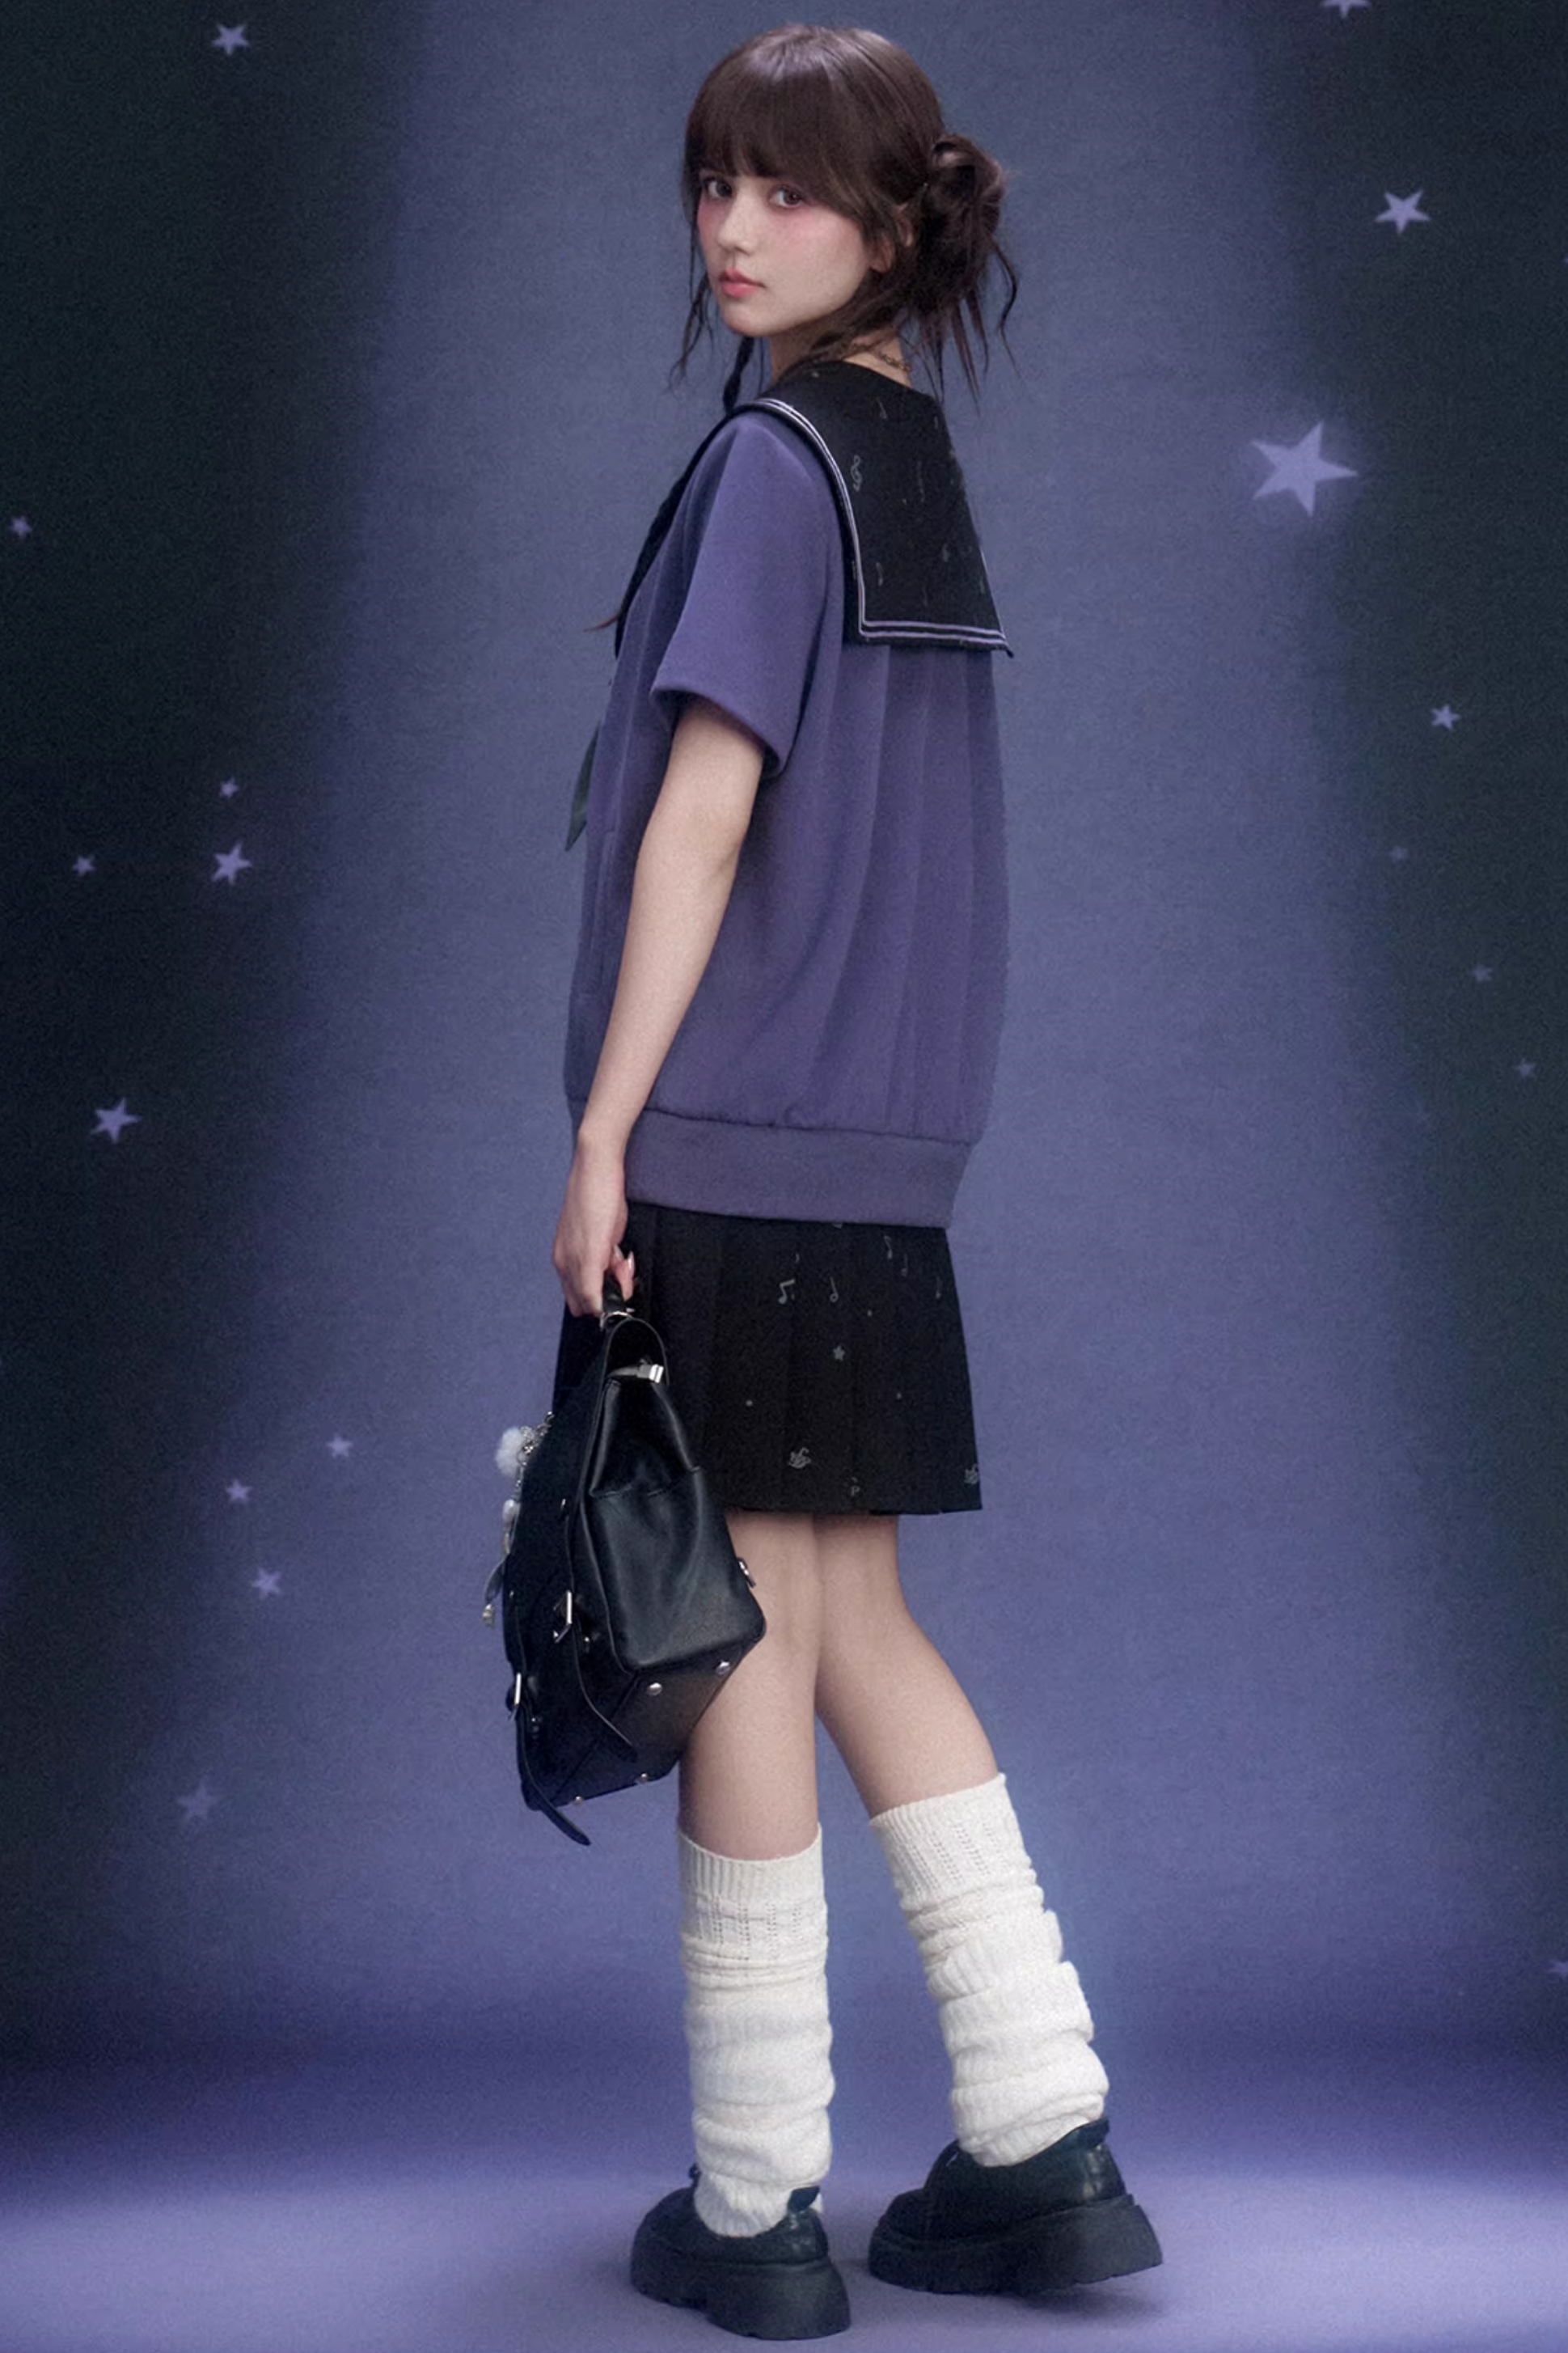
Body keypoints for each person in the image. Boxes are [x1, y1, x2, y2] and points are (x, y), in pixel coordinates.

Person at [548, 23, 1162, 2340]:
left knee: (733, 1636)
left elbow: (705, 811)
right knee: (854, 1623)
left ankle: (754, 2197)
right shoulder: (906, 453)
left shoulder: (775, 461)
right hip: (886, 1159)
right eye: (715, 181)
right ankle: (1044, 2136)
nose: (734, 227)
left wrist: (603, 1131)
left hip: (735, 1132)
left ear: (892, 222)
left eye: (787, 189)